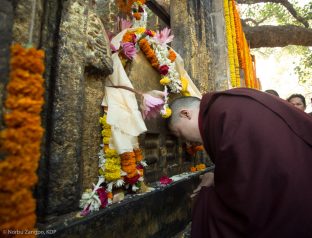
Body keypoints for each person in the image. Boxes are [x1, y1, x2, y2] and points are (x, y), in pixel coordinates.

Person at [168, 88, 312, 238]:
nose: (184, 141)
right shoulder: (227, 105)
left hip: (293, 201)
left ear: (185, 114)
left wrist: (206, 193)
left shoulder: (224, 114)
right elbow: (248, 161)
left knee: (208, 208)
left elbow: (245, 190)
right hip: (300, 180)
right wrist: (217, 176)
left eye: (178, 133)